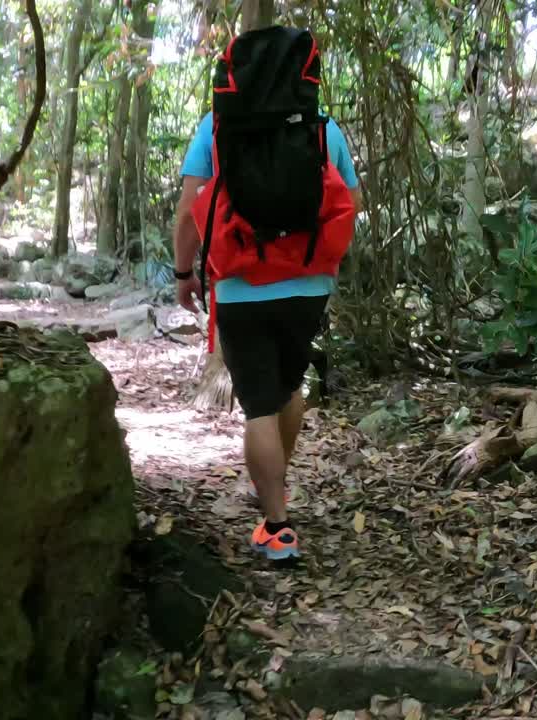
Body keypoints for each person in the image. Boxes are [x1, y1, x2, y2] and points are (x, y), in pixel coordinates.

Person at [172, 27, 362, 562]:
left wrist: (184, 273)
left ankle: (276, 526)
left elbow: (190, 212)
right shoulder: (323, 130)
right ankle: (275, 481)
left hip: (240, 287)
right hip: (308, 285)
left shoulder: (216, 128)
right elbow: (352, 198)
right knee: (287, 388)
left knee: (258, 402)